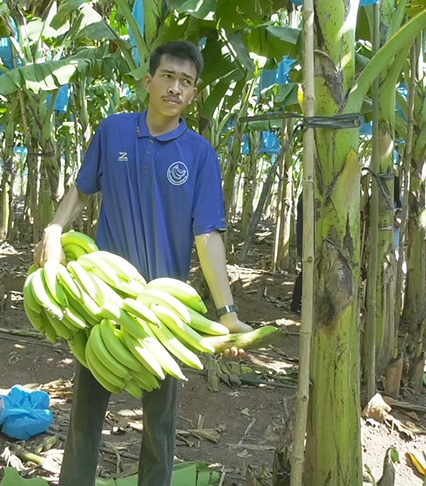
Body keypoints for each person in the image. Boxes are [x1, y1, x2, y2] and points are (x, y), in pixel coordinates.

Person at [34, 41, 251, 486]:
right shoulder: (113, 131)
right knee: (85, 417)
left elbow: (208, 235)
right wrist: (54, 229)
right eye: (168, 77)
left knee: (160, 427)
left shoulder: (199, 155)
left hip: (162, 311)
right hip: (101, 303)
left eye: (186, 82)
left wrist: (226, 313)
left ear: (194, 93)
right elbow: (82, 189)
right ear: (148, 81)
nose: (176, 88)